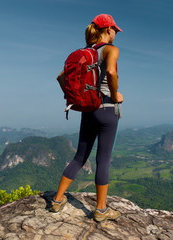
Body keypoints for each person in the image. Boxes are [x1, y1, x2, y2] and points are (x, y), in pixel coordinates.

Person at [51, 13, 124, 222]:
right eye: (114, 30)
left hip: (88, 109)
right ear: (108, 30)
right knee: (103, 160)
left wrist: (75, 98)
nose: (116, 34)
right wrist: (114, 95)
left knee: (80, 156)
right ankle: (100, 210)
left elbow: (61, 78)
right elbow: (111, 72)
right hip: (107, 110)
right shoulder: (111, 50)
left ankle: (57, 200)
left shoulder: (83, 53)